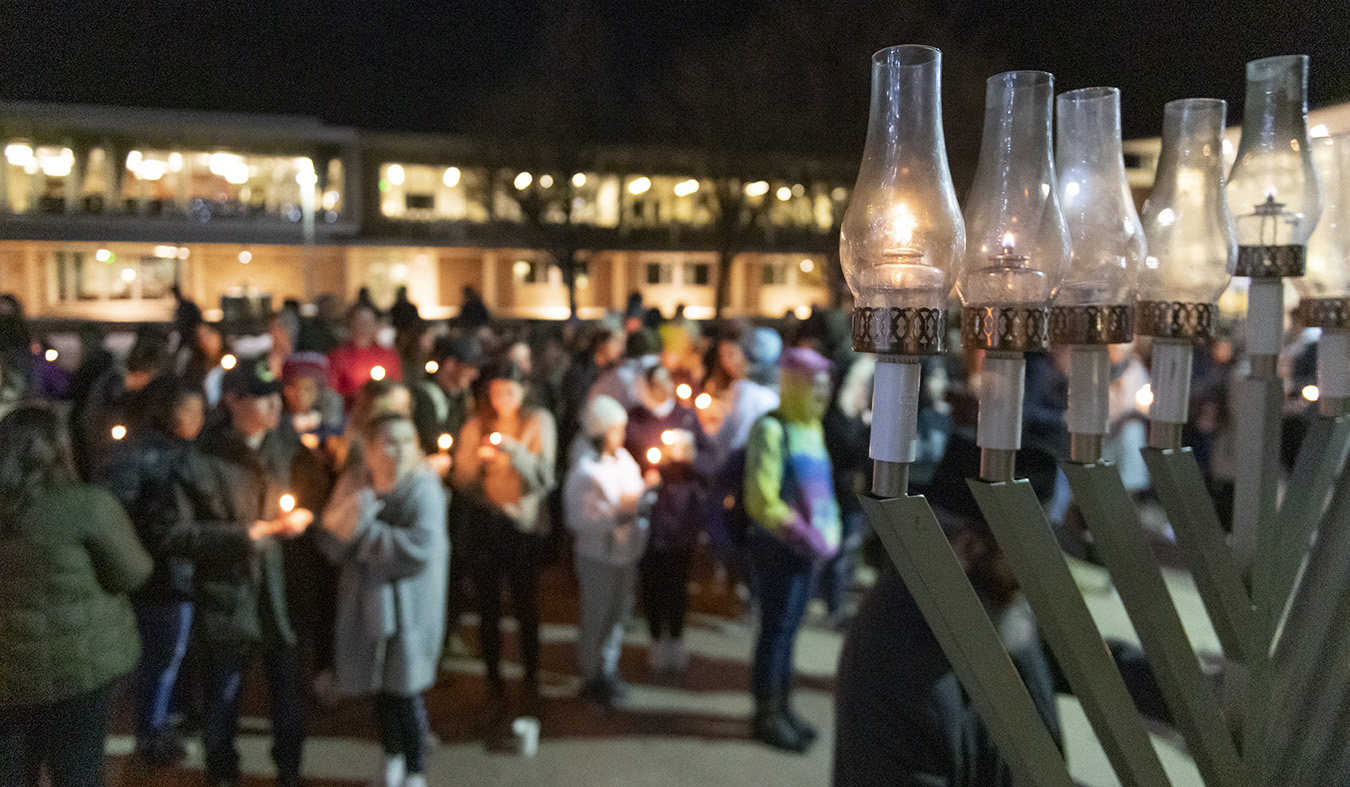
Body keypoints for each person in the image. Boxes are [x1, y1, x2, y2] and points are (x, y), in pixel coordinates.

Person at [177, 358, 322, 787]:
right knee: (222, 695)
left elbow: (314, 492)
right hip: (227, 595)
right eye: (260, 398)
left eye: (276, 395)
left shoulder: (288, 445)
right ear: (231, 400)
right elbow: (177, 534)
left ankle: (289, 769)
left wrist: (307, 515)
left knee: (288, 695)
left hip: (282, 594)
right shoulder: (201, 457)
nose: (274, 406)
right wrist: (240, 536)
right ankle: (221, 771)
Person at [0, 406, 153, 787]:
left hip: (8, 676)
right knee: (79, 771)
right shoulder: (88, 506)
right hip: (83, 669)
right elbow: (134, 573)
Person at [321, 412, 448, 787]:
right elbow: (329, 537)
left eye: (407, 440)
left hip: (411, 608)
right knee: (378, 687)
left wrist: (361, 531)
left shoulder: (424, 486)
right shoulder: (355, 481)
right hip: (366, 603)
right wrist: (351, 525)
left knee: (404, 690)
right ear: (370, 447)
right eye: (390, 441)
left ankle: (415, 769)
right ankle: (391, 758)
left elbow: (421, 547)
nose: (400, 449)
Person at [95, 376, 206, 766]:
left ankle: (163, 723)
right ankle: (153, 733)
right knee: (163, 658)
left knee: (157, 657)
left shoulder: (123, 452)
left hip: (139, 571)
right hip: (168, 573)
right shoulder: (174, 458)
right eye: (194, 411)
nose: (201, 419)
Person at [744, 347, 840, 752]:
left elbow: (822, 490)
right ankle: (766, 713)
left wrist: (828, 533)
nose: (822, 393)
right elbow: (760, 498)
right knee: (776, 631)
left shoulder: (812, 427)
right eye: (814, 385)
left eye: (825, 385)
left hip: (807, 552)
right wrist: (804, 534)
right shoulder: (771, 429)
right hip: (778, 550)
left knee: (789, 629)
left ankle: (783, 706)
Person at [451, 360, 557, 716]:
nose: (503, 399)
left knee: (526, 605)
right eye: (497, 392)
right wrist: (480, 465)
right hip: (487, 525)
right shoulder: (475, 426)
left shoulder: (537, 422)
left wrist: (516, 451)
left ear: (523, 391)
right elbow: (462, 480)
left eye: (510, 391)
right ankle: (494, 682)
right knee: (488, 608)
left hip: (522, 527)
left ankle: (530, 678)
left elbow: (543, 479)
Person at [624, 365, 715, 675]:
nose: (662, 389)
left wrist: (690, 459)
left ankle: (675, 639)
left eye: (666, 382)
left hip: (682, 513)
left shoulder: (686, 417)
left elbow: (709, 458)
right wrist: (644, 469)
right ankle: (655, 641)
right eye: (655, 383)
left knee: (677, 580)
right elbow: (624, 458)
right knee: (652, 581)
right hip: (651, 511)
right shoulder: (635, 418)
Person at [565, 396, 651, 707]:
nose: (622, 435)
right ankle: (591, 676)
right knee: (597, 617)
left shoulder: (624, 460)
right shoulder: (585, 471)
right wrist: (622, 515)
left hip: (624, 554)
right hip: (597, 556)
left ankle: (608, 669)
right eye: (617, 429)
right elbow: (580, 519)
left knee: (616, 616)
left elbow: (634, 495)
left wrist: (645, 495)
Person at [328, 303, 403, 404]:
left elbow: (395, 387)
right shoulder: (338, 356)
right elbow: (332, 390)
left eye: (367, 323)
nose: (363, 327)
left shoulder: (388, 356)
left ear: (375, 326)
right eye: (359, 322)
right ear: (350, 325)